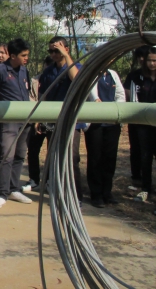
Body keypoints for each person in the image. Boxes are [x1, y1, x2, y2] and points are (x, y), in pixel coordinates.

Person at [0, 38, 33, 209]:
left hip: (25, 119)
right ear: (13, 56)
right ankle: (2, 192)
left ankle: (14, 188)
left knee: (20, 155)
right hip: (8, 121)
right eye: (23, 55)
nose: (26, 58)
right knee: (7, 155)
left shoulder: (24, 70)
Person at [38, 36, 84, 204]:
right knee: (55, 158)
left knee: (71, 158)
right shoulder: (48, 71)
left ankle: (75, 197)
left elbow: (76, 78)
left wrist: (66, 56)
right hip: (53, 122)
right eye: (51, 51)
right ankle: (58, 193)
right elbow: (43, 95)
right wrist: (39, 119)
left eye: (56, 51)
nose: (53, 55)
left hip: (71, 121)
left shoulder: (76, 67)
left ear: (66, 49)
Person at [86, 67, 125, 207]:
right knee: (95, 157)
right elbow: (90, 92)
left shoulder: (112, 74)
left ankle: (107, 192)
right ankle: (96, 194)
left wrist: (117, 111)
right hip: (95, 123)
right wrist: (96, 100)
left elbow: (120, 94)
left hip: (112, 123)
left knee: (110, 157)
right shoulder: (90, 73)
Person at [123, 46, 156, 203]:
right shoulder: (136, 77)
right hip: (143, 124)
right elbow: (133, 99)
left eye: (154, 61)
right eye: (149, 60)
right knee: (145, 155)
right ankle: (145, 188)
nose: (152, 63)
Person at [24, 56, 53, 191]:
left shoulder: (59, 79)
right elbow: (32, 98)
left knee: (52, 152)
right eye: (47, 66)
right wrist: (36, 119)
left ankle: (49, 181)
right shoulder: (35, 80)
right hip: (37, 121)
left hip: (53, 120)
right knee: (33, 150)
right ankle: (34, 179)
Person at [125, 45, 149, 189]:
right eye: (139, 56)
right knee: (136, 149)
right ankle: (137, 178)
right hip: (136, 119)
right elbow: (128, 94)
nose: (141, 59)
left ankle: (147, 182)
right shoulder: (133, 76)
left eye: (144, 56)